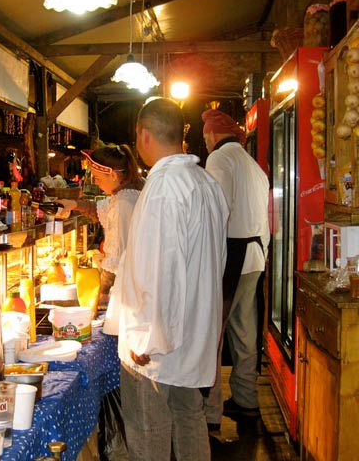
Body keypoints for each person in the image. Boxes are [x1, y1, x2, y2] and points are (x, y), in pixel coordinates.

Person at [115, 98, 229, 460]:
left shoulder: (165, 187)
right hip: (192, 330)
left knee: (149, 427)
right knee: (188, 415)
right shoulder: (204, 181)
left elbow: (159, 267)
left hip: (158, 343)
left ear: (143, 135)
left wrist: (145, 338)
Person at [200, 108, 270, 425]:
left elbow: (219, 211)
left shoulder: (219, 159)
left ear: (212, 135)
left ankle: (211, 408)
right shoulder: (251, 164)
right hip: (255, 254)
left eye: (204, 136)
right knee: (245, 332)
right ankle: (246, 398)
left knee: (212, 333)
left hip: (232, 254)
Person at [57, 145, 144, 308]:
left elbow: (116, 257)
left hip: (131, 287)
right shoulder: (129, 192)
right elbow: (98, 210)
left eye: (98, 178)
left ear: (112, 175)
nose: (96, 183)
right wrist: (73, 204)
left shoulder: (123, 203)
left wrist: (103, 291)